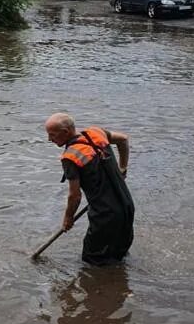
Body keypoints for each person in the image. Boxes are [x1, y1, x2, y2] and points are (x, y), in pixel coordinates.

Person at [45, 112, 134, 266]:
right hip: (127, 207)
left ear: (65, 132)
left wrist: (68, 218)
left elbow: (75, 196)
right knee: (119, 257)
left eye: (52, 135)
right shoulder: (96, 132)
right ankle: (120, 285)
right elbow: (124, 139)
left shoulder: (71, 157)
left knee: (92, 262)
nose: (49, 139)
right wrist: (123, 168)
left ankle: (101, 286)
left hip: (105, 215)